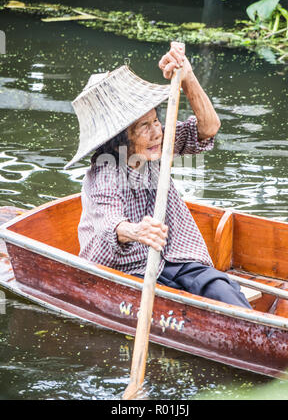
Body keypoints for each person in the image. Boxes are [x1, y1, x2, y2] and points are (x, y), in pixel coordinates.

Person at [73, 42, 252, 310]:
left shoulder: (158, 144)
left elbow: (209, 127)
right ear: (120, 139)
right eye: (144, 126)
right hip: (126, 270)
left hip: (174, 258)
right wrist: (137, 231)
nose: (157, 131)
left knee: (222, 290)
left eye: (155, 120)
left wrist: (188, 77)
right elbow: (111, 224)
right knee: (177, 305)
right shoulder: (105, 171)